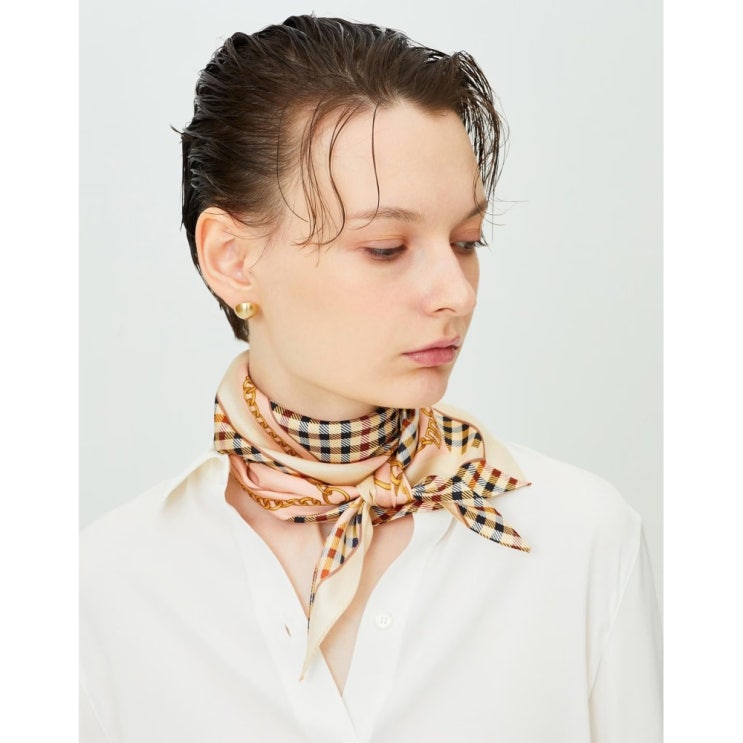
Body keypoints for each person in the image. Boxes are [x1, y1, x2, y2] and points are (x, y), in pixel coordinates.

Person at [80, 15, 661, 742]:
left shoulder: (582, 541)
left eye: (466, 241)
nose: (455, 292)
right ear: (232, 259)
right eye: (386, 247)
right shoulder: (103, 588)